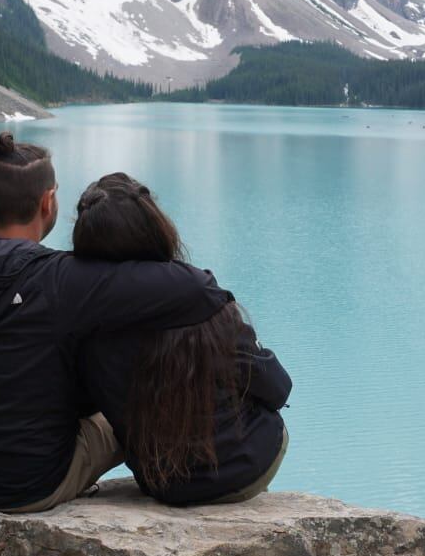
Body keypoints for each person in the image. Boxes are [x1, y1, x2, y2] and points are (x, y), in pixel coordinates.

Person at [0, 134, 233, 513]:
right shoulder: (62, 280)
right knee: (134, 411)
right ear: (48, 202)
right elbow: (196, 287)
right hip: (26, 483)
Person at [73, 173, 291, 505]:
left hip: (165, 485)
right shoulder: (203, 299)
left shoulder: (83, 319)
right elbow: (277, 388)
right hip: (249, 467)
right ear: (153, 226)